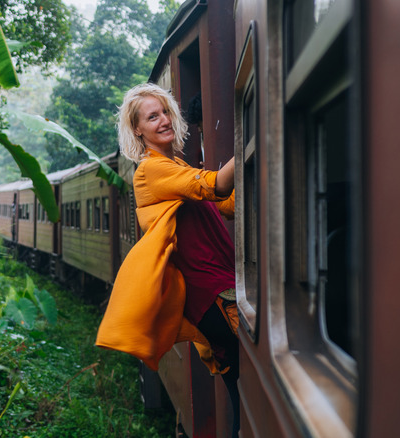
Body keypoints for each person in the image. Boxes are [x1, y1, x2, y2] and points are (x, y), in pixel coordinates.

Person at [95, 83, 240, 437]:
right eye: (151, 116)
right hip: (211, 294)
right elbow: (218, 186)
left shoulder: (173, 165)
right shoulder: (150, 171)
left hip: (219, 285)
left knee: (242, 390)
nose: (162, 120)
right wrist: (258, 136)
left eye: (164, 112)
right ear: (137, 130)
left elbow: (226, 205)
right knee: (247, 385)